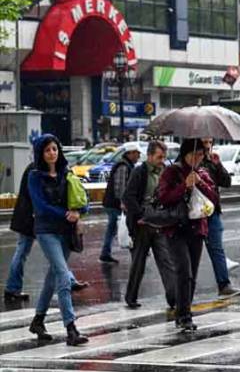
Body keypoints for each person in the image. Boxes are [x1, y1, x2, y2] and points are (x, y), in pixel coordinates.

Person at [25, 135, 89, 346]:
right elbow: (40, 206)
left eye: (55, 149)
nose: (52, 153)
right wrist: (65, 214)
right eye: (47, 150)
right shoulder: (35, 176)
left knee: (52, 278)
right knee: (63, 276)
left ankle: (38, 320)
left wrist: (78, 212)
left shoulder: (66, 173)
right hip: (46, 231)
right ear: (40, 154)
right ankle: (71, 328)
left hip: (66, 232)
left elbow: (81, 199)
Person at [157, 139, 219, 331]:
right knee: (184, 271)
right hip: (176, 228)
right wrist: (185, 186)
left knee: (192, 273)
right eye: (194, 154)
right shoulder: (171, 172)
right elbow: (164, 197)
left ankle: (185, 310)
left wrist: (200, 184)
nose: (197, 158)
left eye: (201, 155)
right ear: (185, 154)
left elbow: (214, 199)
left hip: (197, 229)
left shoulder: (202, 173)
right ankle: (183, 315)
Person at [6, 165, 87, 303]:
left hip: (35, 217)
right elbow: (33, 198)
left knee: (52, 253)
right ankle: (12, 289)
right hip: (30, 217)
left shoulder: (48, 169)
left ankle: (69, 280)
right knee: (23, 251)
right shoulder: (35, 171)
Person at [123, 141, 176, 310]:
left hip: (159, 221)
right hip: (142, 223)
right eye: (159, 157)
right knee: (139, 262)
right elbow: (128, 196)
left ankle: (173, 297)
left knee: (165, 260)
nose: (162, 160)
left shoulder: (165, 172)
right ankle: (131, 297)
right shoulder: (139, 172)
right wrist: (139, 216)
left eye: (164, 157)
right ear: (150, 156)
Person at [200, 138, 240, 298]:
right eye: (205, 139)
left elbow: (226, 182)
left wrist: (217, 164)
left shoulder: (211, 160)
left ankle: (224, 284)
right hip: (194, 214)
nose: (208, 142)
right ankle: (184, 289)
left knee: (217, 249)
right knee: (191, 253)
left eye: (210, 140)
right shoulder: (189, 160)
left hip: (212, 211)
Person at [99, 146, 140, 263]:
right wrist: (123, 202)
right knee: (124, 226)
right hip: (115, 204)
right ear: (130, 153)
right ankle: (135, 249)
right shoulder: (123, 166)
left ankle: (105, 252)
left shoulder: (126, 165)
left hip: (113, 203)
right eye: (137, 153)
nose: (138, 156)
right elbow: (120, 187)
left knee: (112, 228)